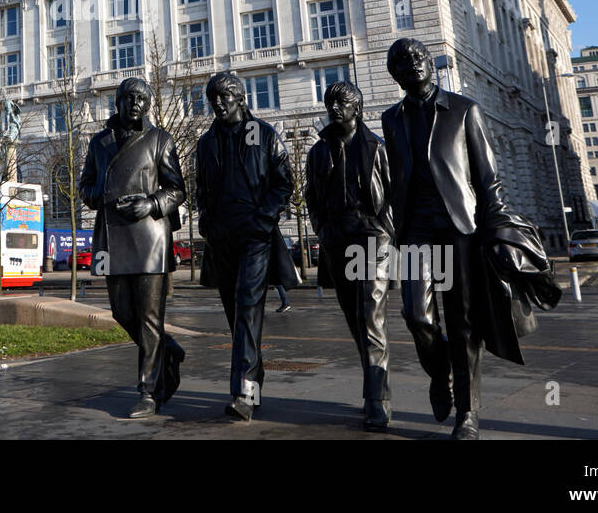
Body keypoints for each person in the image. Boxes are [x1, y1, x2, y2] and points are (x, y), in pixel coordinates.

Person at [382, 38, 560, 439]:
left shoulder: (464, 110)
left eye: (418, 57)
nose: (413, 65)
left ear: (431, 63)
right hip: (415, 231)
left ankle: (467, 412)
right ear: (396, 75)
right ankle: (440, 371)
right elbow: (398, 179)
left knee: (464, 324)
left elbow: (488, 178)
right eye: (403, 62)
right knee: (416, 316)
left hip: (460, 226)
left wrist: (495, 228)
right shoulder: (391, 119)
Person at [80, 78, 188, 419]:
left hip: (150, 238)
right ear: (118, 102)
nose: (135, 104)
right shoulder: (99, 143)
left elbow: (177, 189)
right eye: (129, 98)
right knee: (122, 313)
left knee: (149, 319)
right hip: (112, 237)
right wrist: (101, 194)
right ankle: (167, 349)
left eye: (142, 98)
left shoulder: (160, 140)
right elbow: (86, 186)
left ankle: (148, 392)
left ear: (148, 104)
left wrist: (151, 204)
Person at [195, 71, 298, 421]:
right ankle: (254, 373)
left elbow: (285, 184)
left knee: (247, 306)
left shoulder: (264, 135)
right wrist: (205, 220)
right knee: (236, 315)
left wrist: (264, 218)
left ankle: (245, 392)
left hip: (255, 236)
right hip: (221, 239)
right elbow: (201, 190)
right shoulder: (206, 143)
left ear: (240, 97)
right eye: (213, 98)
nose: (218, 103)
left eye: (224, 96)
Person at [306, 80, 396, 431]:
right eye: (331, 102)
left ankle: (378, 399)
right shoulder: (318, 151)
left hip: (371, 235)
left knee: (371, 314)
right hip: (337, 236)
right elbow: (311, 195)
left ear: (357, 108)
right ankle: (373, 381)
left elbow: (392, 192)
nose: (335, 108)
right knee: (355, 318)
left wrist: (385, 228)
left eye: (342, 102)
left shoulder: (377, 147)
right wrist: (322, 228)